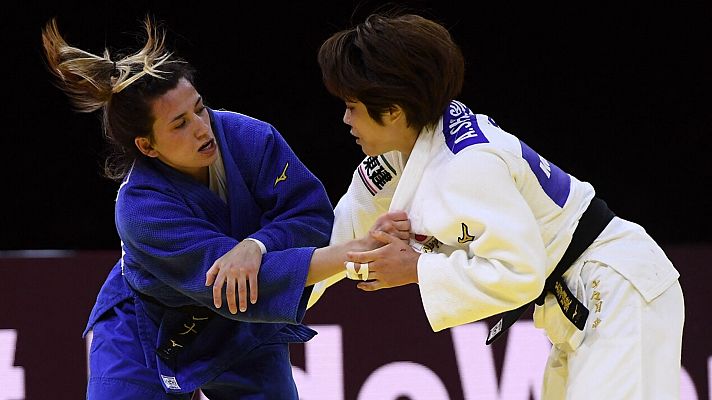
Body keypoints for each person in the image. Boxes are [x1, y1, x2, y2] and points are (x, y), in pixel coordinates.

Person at [309, 11, 685, 400]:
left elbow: (521, 274)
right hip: (576, 300)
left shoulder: (468, 163)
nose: (345, 118)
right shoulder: (398, 155)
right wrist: (267, 301)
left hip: (617, 285)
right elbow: (338, 239)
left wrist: (416, 267)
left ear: (392, 110)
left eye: (352, 105)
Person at [41, 16, 408, 400]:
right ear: (148, 147)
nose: (202, 128)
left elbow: (311, 218)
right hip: (146, 329)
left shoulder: (249, 137)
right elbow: (231, 284)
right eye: (180, 124)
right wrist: (350, 254)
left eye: (200, 108)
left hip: (241, 331)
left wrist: (258, 244)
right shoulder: (141, 210)